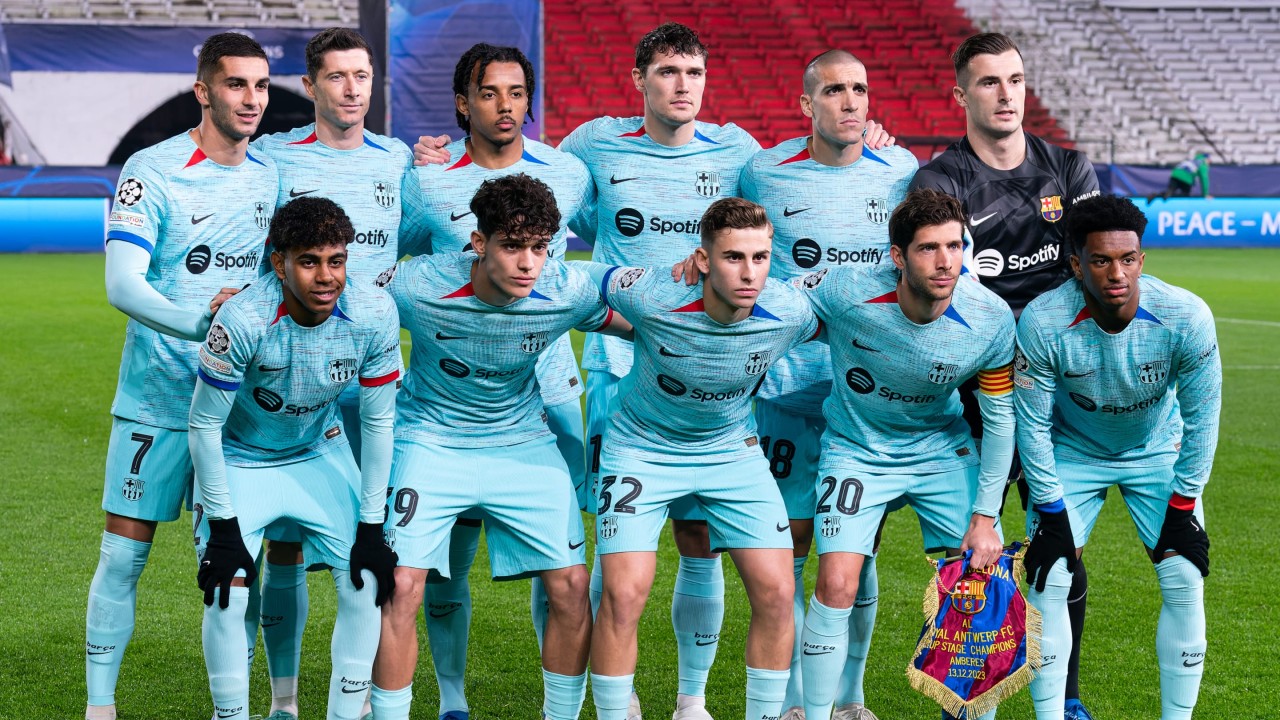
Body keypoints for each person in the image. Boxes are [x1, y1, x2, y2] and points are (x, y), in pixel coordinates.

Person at [370, 174, 632, 720]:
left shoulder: (565, 289)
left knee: (571, 585)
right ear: (479, 243)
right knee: (399, 585)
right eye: (512, 246)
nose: (527, 264)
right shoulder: (417, 283)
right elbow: (336, 293)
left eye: (539, 248)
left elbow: (644, 317)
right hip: (431, 438)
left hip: (522, 440)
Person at [396, 43, 595, 720]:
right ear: (463, 103)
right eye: (489, 93)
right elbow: (392, 262)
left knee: (560, 558)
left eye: (516, 93)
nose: (505, 106)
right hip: (451, 390)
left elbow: (612, 249)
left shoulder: (568, 172)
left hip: (549, 386)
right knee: (443, 561)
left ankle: (560, 698)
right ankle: (451, 697)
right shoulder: (426, 179)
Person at [909, 32, 1100, 719]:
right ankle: (963, 701)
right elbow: (944, 283)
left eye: (1015, 79)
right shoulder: (941, 180)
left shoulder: (1068, 168)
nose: (1006, 94)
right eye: (989, 82)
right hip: (975, 394)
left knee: (1060, 548)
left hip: (1054, 395)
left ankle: (1066, 700)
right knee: (976, 557)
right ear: (961, 95)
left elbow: (1091, 270)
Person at [86, 32, 277, 720]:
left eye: (261, 85)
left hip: (237, 408)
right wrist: (204, 324)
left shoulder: (273, 173)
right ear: (203, 91)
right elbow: (122, 285)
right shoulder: (153, 169)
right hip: (158, 398)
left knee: (235, 573)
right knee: (123, 557)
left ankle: (237, 709)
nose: (252, 99)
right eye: (235, 84)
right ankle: (99, 707)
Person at [583, 197, 819, 720]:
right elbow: (576, 282)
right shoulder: (653, 293)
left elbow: (859, 302)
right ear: (703, 259)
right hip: (641, 448)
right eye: (734, 257)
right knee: (624, 593)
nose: (749, 273)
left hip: (731, 451)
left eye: (760, 258)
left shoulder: (790, 310)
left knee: (779, 592)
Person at [736, 49, 916, 720]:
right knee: (789, 544)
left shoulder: (900, 170)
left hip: (865, 395)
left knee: (857, 552)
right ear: (806, 104)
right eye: (835, 90)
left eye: (859, 90)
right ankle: (789, 700)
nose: (850, 101)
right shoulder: (762, 171)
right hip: (785, 388)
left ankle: (849, 697)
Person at [796, 188, 1015, 720]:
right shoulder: (846, 289)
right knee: (836, 583)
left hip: (940, 448)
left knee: (982, 584)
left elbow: (1000, 420)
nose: (945, 262)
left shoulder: (990, 317)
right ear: (898, 256)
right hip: (856, 449)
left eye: (954, 246)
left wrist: (986, 517)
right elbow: (772, 296)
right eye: (928, 248)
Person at [249, 27, 413, 720]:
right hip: (297, 375)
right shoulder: (272, 157)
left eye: (363, 75)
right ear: (310, 84)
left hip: (371, 370)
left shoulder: (400, 158)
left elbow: (424, 237)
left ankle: (366, 698)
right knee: (284, 544)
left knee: (377, 544)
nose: (352, 89)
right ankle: (284, 700)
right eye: (338, 76)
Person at [189, 196, 401, 720]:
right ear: (279, 264)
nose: (326, 277)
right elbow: (204, 425)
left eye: (336, 260)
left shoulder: (374, 312)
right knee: (226, 591)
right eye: (309, 262)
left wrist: (372, 525)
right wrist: (223, 527)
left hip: (318, 448)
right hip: (241, 456)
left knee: (368, 581)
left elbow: (378, 422)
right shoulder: (243, 318)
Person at [1015, 194, 1218, 720]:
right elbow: (1031, 424)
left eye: (1128, 259)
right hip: (1074, 449)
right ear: (1076, 264)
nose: (1117, 274)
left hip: (1157, 449)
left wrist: (1184, 504)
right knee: (1049, 577)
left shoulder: (1186, 316)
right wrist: (1051, 510)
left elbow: (1202, 420)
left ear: (1142, 260)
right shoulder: (1043, 321)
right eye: (1101, 260)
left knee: (1185, 577)